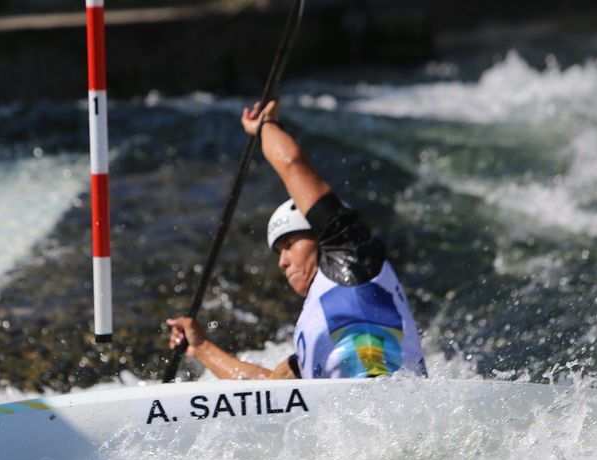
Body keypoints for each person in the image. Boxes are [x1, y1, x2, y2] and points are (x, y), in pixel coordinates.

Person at [166, 99, 427, 380]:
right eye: (279, 251)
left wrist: (266, 127)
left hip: (390, 406)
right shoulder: (325, 332)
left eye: (289, 245)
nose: (282, 261)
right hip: (365, 418)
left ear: (321, 239)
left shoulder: (352, 256)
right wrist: (202, 347)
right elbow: (267, 389)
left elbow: (292, 165)